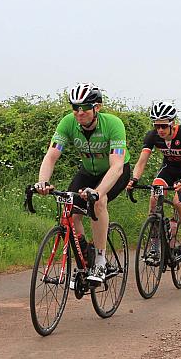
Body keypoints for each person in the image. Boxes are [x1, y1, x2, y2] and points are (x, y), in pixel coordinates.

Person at [35, 83, 130, 283]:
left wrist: (97, 192)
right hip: (88, 171)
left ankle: (101, 261)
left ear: (97, 107)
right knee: (69, 210)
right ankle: (86, 255)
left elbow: (117, 166)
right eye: (75, 107)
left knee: (98, 202)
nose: (79, 112)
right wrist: (42, 182)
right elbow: (51, 156)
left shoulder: (113, 124)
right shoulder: (68, 123)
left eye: (85, 107)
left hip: (115, 172)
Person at [127, 101, 181, 265]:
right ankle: (155, 247)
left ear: (172, 123)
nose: (160, 130)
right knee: (154, 198)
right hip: (168, 169)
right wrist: (134, 178)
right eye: (157, 126)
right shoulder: (152, 136)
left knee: (177, 201)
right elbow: (142, 161)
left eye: (164, 126)